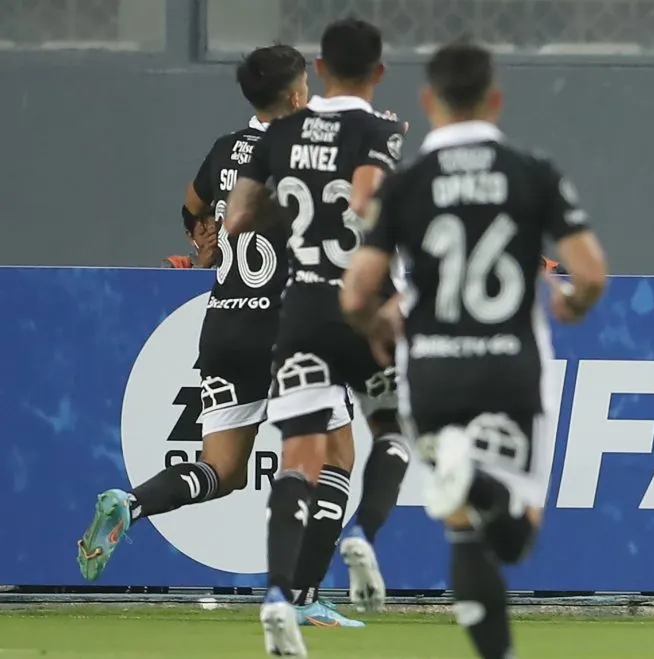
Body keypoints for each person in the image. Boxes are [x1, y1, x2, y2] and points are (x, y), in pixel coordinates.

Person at [76, 44, 362, 628]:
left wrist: (203, 246)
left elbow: (192, 205)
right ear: (296, 94)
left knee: (224, 470)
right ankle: (303, 597)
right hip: (289, 329)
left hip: (226, 325)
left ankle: (132, 504)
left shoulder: (227, 149)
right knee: (338, 455)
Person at [341, 40, 607, 659]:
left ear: (428, 100)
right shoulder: (530, 170)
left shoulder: (405, 185)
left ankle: (476, 488)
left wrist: (378, 324)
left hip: (432, 370)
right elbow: (590, 273)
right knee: (515, 540)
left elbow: (356, 295)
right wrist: (573, 304)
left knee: (463, 532)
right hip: (509, 366)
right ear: (495, 99)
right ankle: (487, 485)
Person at [225, 19, 411, 656]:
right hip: (360, 306)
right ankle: (361, 532)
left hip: (299, 309)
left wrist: (296, 198)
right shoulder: (379, 130)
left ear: (320, 67)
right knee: (392, 431)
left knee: (300, 460)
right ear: (377, 71)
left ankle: (279, 595)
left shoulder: (276, 133)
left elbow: (237, 219)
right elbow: (364, 201)